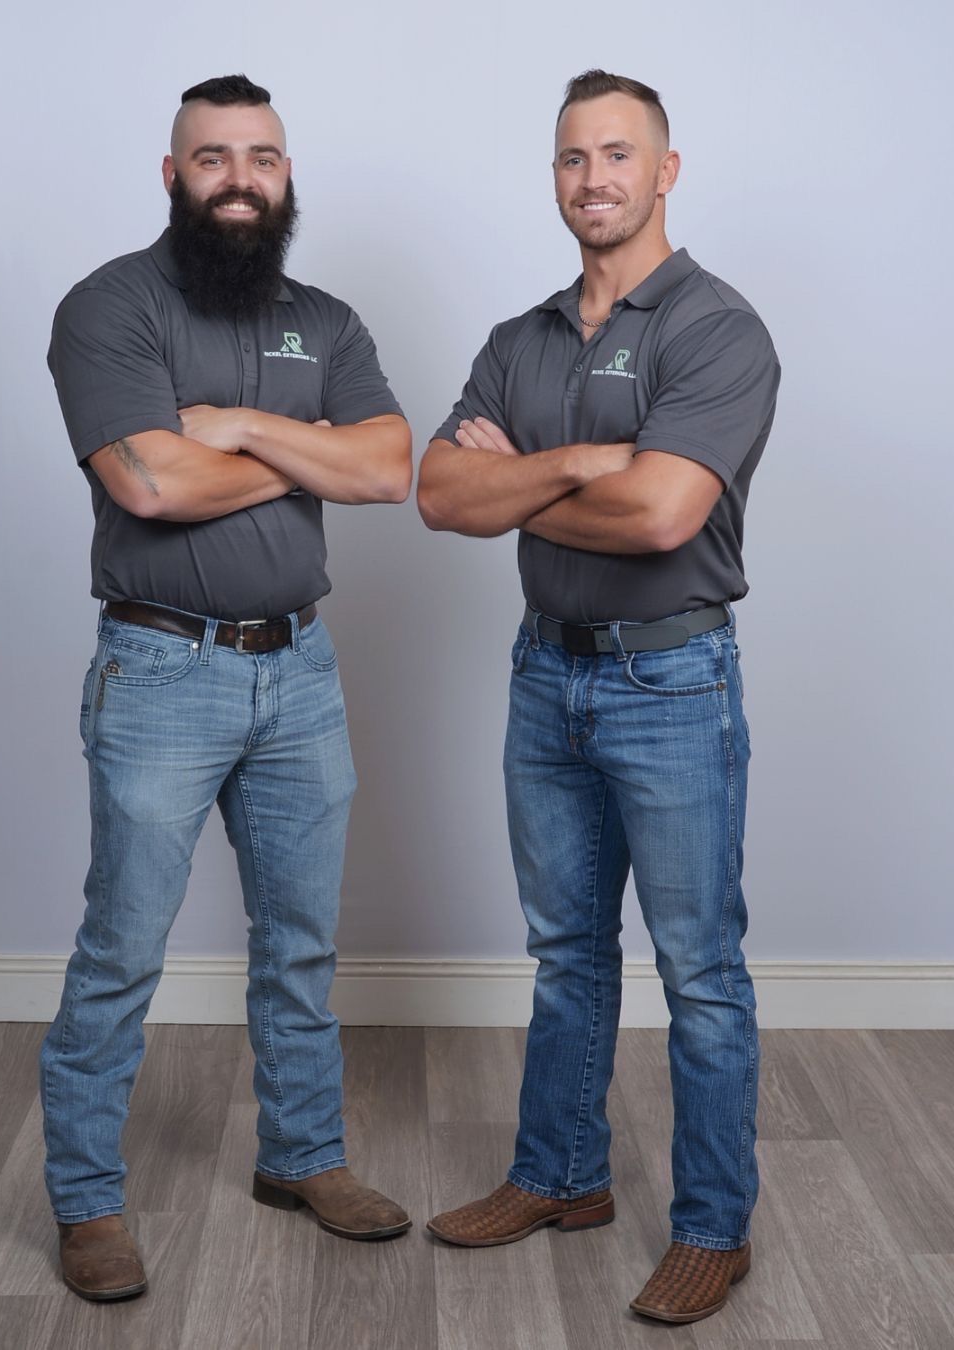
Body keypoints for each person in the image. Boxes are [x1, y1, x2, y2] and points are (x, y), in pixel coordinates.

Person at [43, 73, 413, 1302]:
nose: (240, 179)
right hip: (163, 671)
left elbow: (392, 468)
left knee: (300, 942)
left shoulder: (326, 320)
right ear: (173, 175)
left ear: (286, 174)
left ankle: (303, 1157)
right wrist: (315, 455)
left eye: (261, 157)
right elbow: (150, 485)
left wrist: (244, 431)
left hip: (300, 670)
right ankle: (88, 1202)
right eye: (213, 158)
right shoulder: (111, 307)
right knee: (122, 950)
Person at [417, 69, 779, 1325]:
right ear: (555, 177)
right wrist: (578, 463)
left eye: (619, 155)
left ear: (665, 171)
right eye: (574, 158)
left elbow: (666, 512)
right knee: (566, 952)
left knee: (699, 969)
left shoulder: (716, 329)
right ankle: (560, 1175)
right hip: (546, 673)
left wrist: (515, 480)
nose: (595, 179)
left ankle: (714, 1228)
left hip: (669, 678)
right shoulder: (518, 339)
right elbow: (439, 495)